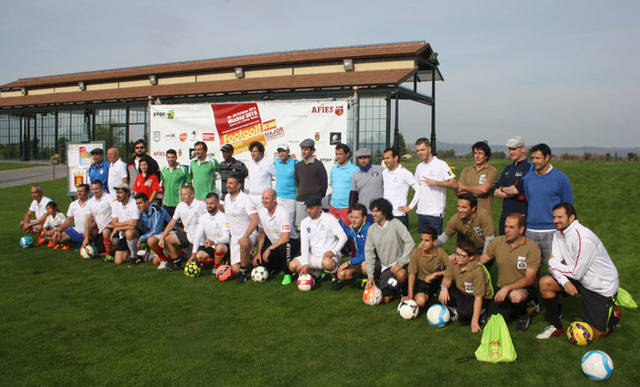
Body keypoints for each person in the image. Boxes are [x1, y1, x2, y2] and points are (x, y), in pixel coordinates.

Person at [536, 203, 620, 341]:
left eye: (560, 217)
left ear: (571, 218)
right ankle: (556, 326)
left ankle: (614, 316)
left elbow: (571, 270)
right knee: (545, 283)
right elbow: (555, 265)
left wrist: (552, 262)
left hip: (600, 287)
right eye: (554, 217)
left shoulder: (584, 239)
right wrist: (565, 281)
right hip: (580, 278)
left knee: (596, 335)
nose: (556, 220)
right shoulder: (558, 233)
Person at [479, 213, 541, 331]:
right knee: (492, 322)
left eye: (511, 227)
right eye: (506, 226)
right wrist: (463, 257)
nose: (507, 230)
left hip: (523, 289)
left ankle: (525, 314)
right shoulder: (497, 242)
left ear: (521, 229)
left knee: (516, 296)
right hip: (501, 289)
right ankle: (513, 310)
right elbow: (482, 259)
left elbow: (530, 279)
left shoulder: (532, 248)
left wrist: (507, 288)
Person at [522, 143, 573, 260]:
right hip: (531, 231)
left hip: (553, 231)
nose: (534, 161)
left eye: (538, 158)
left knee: (556, 270)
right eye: (533, 158)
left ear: (547, 158)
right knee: (530, 270)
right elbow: (529, 199)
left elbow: (567, 205)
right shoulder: (528, 178)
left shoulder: (561, 178)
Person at [364, 198, 415, 304]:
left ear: (384, 212)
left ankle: (403, 290)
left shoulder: (396, 223)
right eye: (372, 211)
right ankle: (389, 285)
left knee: (401, 274)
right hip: (385, 267)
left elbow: (410, 242)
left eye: (376, 211)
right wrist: (370, 276)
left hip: (399, 265)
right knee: (386, 299)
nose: (373, 214)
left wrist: (401, 263)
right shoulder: (372, 229)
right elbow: (369, 252)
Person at [438, 239, 493, 333]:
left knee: (464, 314)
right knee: (441, 294)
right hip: (462, 290)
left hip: (478, 297)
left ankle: (481, 314)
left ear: (471, 257)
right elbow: (446, 280)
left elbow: (478, 297)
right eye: (456, 253)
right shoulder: (454, 262)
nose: (457, 257)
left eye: (461, 255)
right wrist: (444, 289)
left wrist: (474, 322)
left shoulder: (478, 272)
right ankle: (456, 311)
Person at [289, 197, 348, 284]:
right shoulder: (304, 222)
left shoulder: (329, 219)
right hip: (313, 256)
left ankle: (335, 277)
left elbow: (343, 237)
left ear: (319, 208)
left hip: (329, 257)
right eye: (307, 208)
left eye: (311, 208)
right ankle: (315, 274)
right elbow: (304, 245)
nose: (308, 210)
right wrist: (305, 264)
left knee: (327, 263)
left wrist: (334, 251)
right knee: (292, 266)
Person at [408, 138, 456, 235]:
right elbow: (417, 187)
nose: (420, 153)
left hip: (435, 213)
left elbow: (453, 183)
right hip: (421, 212)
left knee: (434, 244)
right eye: (418, 150)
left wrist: (436, 183)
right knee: (423, 245)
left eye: (422, 150)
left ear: (429, 149)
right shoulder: (419, 167)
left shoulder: (442, 165)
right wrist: (416, 204)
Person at [253, 188, 299, 285]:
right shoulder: (261, 212)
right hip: (274, 244)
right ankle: (278, 266)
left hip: (291, 242)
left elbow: (285, 237)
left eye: (267, 198)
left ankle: (288, 273)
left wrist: (269, 249)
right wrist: (258, 252)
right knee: (261, 263)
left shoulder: (283, 212)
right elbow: (261, 234)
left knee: (284, 247)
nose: (264, 201)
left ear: (275, 199)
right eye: (263, 198)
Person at [159, 184, 207, 271]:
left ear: (192, 195)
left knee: (198, 261)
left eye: (185, 194)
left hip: (200, 239)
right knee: (167, 239)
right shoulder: (180, 206)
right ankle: (177, 264)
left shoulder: (201, 205)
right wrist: (162, 237)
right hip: (187, 235)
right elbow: (172, 223)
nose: (183, 196)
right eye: (181, 194)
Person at [222, 173, 260, 283]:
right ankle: (253, 260)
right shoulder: (227, 198)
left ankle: (243, 274)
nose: (227, 185)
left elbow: (255, 220)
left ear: (238, 185)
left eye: (231, 183)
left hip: (248, 235)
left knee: (244, 243)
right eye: (227, 183)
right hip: (234, 238)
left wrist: (246, 235)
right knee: (234, 271)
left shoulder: (245, 199)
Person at [493, 136, 533, 235]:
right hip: (505, 215)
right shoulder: (508, 168)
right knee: (503, 245)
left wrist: (502, 189)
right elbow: (494, 191)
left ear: (523, 149)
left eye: (514, 149)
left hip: (520, 215)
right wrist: (507, 192)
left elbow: (515, 190)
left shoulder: (529, 167)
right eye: (510, 149)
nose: (511, 152)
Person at [404, 226, 449, 308]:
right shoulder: (416, 253)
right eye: (422, 240)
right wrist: (410, 295)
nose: (422, 243)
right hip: (422, 282)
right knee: (420, 302)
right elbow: (412, 275)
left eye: (427, 240)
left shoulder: (441, 253)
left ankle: (440, 299)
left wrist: (436, 274)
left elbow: (452, 270)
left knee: (450, 291)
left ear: (434, 242)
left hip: (438, 281)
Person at [334, 203, 372, 290]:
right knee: (341, 274)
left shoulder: (369, 230)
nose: (353, 220)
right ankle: (361, 275)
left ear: (364, 218)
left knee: (365, 265)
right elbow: (349, 233)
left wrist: (349, 262)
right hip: (359, 261)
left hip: (373, 262)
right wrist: (337, 220)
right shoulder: (354, 228)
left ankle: (371, 279)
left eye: (356, 218)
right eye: (352, 217)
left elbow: (368, 255)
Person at [456, 141, 498, 217]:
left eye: (480, 153)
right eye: (475, 153)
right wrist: (476, 191)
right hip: (466, 215)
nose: (477, 156)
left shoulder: (492, 171)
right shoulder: (466, 170)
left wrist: (465, 188)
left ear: (486, 156)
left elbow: (484, 190)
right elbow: (459, 191)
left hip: (484, 215)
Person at [190, 192, 230, 268]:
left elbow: (227, 238)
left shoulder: (224, 217)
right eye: (207, 203)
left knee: (219, 247)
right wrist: (193, 253)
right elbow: (198, 236)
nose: (209, 206)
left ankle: (216, 267)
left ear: (218, 203)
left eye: (211, 203)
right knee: (199, 257)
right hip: (210, 246)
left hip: (222, 245)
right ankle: (219, 261)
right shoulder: (203, 217)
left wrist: (214, 241)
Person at [294, 138, 327, 228]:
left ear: (312, 151)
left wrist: (317, 197)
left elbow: (324, 183)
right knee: (301, 227)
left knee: (315, 226)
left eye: (306, 149)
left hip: (314, 202)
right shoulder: (298, 165)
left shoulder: (319, 165)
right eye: (302, 149)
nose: (303, 152)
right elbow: (297, 182)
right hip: (301, 201)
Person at [383, 147, 420, 227]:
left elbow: (419, 189)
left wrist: (410, 207)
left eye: (388, 158)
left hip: (399, 216)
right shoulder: (384, 172)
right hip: (385, 215)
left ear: (395, 158)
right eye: (384, 158)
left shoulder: (405, 173)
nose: (385, 161)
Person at [135, 193, 172, 267]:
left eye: (140, 203)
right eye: (137, 203)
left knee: (151, 240)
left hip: (168, 232)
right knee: (155, 261)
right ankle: (154, 254)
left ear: (147, 202)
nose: (138, 205)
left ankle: (164, 259)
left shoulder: (155, 210)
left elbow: (156, 230)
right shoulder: (141, 213)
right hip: (157, 235)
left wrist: (141, 239)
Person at [82, 180, 114, 258]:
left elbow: (117, 213)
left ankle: (110, 253)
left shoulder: (109, 198)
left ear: (102, 188)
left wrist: (113, 225)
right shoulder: (91, 202)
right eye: (93, 189)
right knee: (87, 232)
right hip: (100, 230)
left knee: (105, 232)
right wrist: (86, 238)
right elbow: (88, 220)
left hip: (111, 228)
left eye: (96, 189)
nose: (95, 191)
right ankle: (89, 246)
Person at [54, 184, 91, 250]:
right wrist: (60, 229)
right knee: (57, 237)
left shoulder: (91, 203)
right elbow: (68, 221)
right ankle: (73, 243)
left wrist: (88, 231)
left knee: (90, 234)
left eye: (81, 191)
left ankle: (83, 243)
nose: (79, 193)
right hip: (76, 230)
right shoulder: (73, 204)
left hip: (88, 231)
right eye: (78, 191)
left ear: (87, 192)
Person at [350, 148, 384, 221]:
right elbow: (353, 195)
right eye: (360, 158)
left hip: (379, 211)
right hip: (364, 212)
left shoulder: (381, 170)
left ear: (370, 158)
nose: (363, 160)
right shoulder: (355, 175)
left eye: (365, 157)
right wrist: (350, 211)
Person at [110, 183, 140, 265]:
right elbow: (114, 223)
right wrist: (128, 222)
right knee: (118, 261)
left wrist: (118, 227)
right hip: (122, 234)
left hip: (136, 232)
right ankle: (136, 252)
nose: (117, 195)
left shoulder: (134, 203)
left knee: (129, 233)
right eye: (117, 193)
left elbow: (134, 224)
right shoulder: (115, 204)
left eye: (120, 193)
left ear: (127, 193)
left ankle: (134, 257)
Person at [329, 143, 358, 224]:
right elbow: (332, 185)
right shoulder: (333, 169)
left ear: (347, 154)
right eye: (336, 154)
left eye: (340, 154)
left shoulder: (355, 170)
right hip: (333, 207)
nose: (338, 156)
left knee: (346, 234)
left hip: (346, 208)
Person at [273, 143, 298, 228]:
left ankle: (290, 241)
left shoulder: (296, 163)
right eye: (279, 151)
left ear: (288, 151)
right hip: (278, 197)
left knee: (289, 224)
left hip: (291, 198)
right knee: (278, 222)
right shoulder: (276, 163)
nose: (281, 153)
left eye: (283, 151)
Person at [160, 149, 190, 217]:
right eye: (169, 157)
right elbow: (164, 186)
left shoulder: (183, 170)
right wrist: (163, 201)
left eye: (173, 157)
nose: (171, 159)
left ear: (176, 157)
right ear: (166, 158)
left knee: (179, 226)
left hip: (179, 203)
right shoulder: (164, 170)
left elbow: (189, 186)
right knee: (168, 225)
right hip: (166, 204)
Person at [247, 141, 275, 209]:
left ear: (261, 152)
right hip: (251, 197)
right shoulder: (251, 163)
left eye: (255, 151)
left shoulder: (268, 164)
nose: (252, 154)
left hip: (263, 198)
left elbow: (279, 177)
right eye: (251, 152)